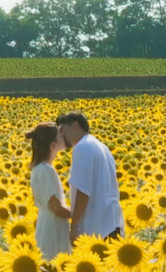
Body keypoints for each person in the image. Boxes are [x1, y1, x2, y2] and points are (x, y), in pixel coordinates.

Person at [55, 111, 124, 242]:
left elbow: (83, 191)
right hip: (111, 222)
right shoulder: (101, 146)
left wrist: (74, 226)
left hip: (97, 228)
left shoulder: (82, 147)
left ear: (75, 125)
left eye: (62, 130)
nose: (61, 136)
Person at [25, 122, 72, 260]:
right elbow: (56, 209)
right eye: (60, 136)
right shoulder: (46, 170)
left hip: (47, 225)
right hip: (53, 229)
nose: (64, 137)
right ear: (53, 145)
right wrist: (81, 214)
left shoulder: (39, 169)